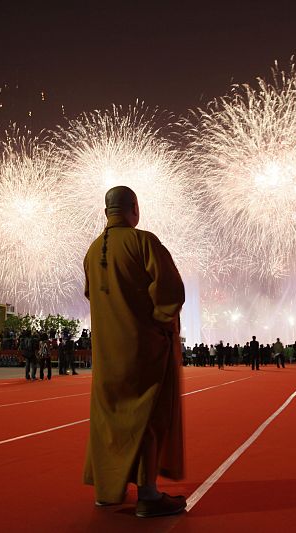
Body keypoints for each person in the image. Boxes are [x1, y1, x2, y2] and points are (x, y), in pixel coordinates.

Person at [82, 186, 186, 517]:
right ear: (134, 209)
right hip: (142, 350)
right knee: (148, 419)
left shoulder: (92, 251)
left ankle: (106, 491)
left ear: (106, 212)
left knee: (108, 421)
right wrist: (160, 325)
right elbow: (171, 291)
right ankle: (148, 495)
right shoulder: (143, 242)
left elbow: (92, 295)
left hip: (106, 354)